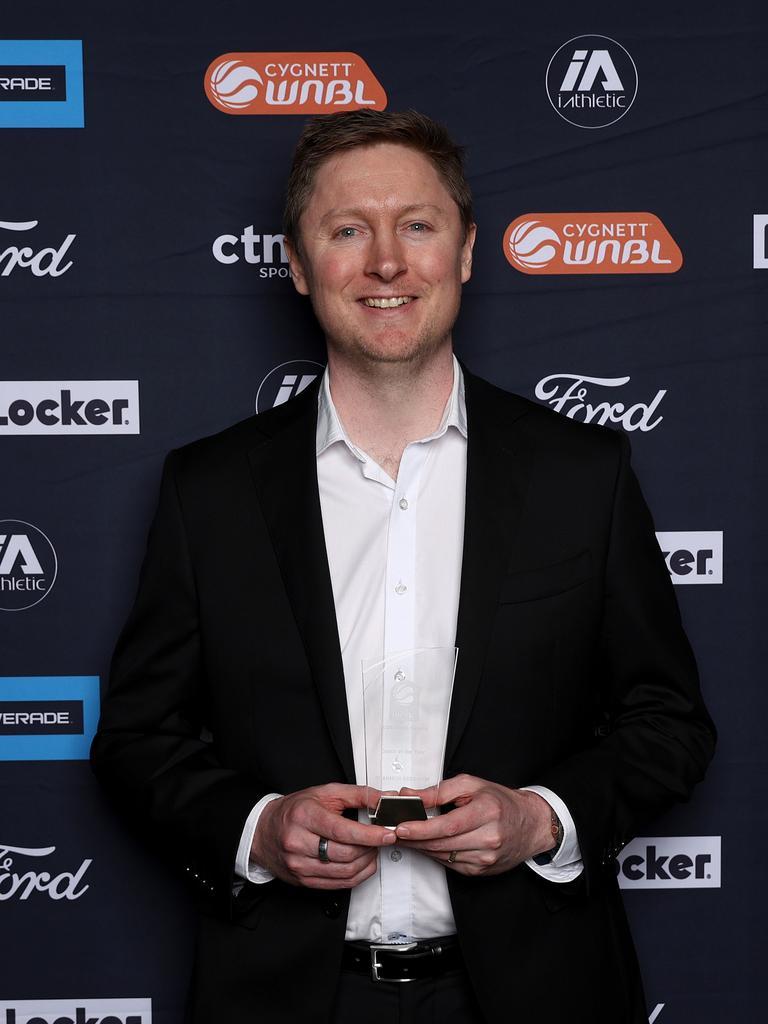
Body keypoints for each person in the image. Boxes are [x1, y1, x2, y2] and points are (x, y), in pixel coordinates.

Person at [91, 109, 715, 1024]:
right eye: (348, 230)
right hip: (289, 999)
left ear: (464, 252)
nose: (387, 261)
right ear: (300, 265)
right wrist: (259, 828)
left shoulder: (584, 474)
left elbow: (671, 723)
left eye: (417, 225)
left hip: (536, 994)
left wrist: (542, 818)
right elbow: (138, 739)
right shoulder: (209, 489)